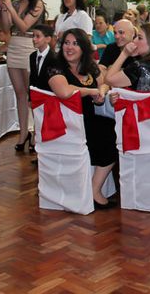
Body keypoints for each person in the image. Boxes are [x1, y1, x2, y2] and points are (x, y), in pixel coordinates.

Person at [46, 29, 116, 209]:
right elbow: (64, 91)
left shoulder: (91, 66)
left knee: (114, 129)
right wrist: (91, 91)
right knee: (108, 136)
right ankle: (94, 190)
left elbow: (105, 82)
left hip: (89, 118)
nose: (69, 47)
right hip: (66, 123)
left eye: (75, 44)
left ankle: (93, 187)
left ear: (84, 48)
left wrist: (101, 91)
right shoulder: (55, 65)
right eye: (67, 43)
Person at [0, 0, 47, 152]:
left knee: (31, 94)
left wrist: (11, 8)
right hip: (14, 46)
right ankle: (22, 133)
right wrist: (4, 9)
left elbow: (24, 25)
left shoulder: (37, 4)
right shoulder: (15, 3)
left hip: (28, 45)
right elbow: (5, 28)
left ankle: (35, 132)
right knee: (19, 94)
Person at [29, 24, 56, 93]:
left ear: (48, 39)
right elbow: (32, 79)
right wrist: (30, 98)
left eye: (38, 36)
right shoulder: (32, 56)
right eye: (33, 36)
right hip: (36, 96)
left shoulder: (55, 58)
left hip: (50, 96)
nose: (33, 39)